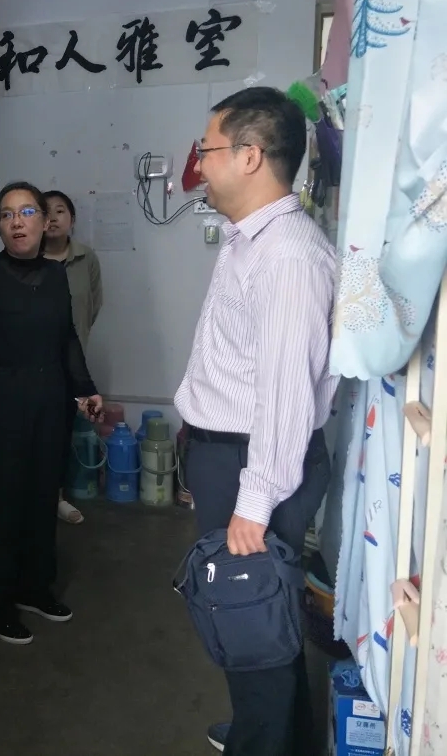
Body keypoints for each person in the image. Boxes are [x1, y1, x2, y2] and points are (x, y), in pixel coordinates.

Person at [175, 87, 337, 756]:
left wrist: (255, 499)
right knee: (261, 618)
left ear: (249, 156)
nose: (199, 163)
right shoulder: (251, 238)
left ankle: (262, 740)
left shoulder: (288, 256)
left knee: (250, 619)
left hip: (255, 462)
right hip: (230, 454)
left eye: (207, 148)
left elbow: (286, 393)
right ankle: (269, 732)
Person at [0, 181, 103, 645]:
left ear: (44, 221)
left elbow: (67, 338)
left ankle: (34, 588)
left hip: (49, 403)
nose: (17, 222)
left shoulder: (56, 276)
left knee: (41, 498)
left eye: (26, 212)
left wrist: (85, 388)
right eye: (6, 214)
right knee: (0, 505)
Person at [42, 189, 103, 525]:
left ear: (72, 219)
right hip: (33, 364)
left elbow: (93, 305)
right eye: (46, 211)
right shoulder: (27, 257)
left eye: (60, 211)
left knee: (61, 433)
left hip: (71, 365)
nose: (53, 218)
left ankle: (56, 496)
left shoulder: (86, 259)